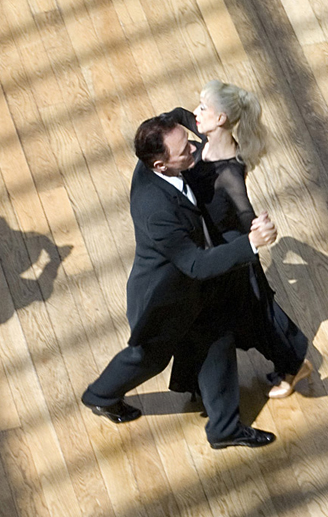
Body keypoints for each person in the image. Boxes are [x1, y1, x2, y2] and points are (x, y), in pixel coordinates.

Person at [81, 112, 280, 449]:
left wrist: (212, 127)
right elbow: (195, 264)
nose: (194, 148)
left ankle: (224, 427)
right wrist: (250, 244)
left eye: (188, 139)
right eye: (184, 149)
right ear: (160, 165)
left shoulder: (159, 159)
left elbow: (176, 115)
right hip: (164, 299)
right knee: (148, 358)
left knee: (216, 339)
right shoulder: (154, 208)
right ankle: (100, 395)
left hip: (191, 292)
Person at [165, 81, 312, 400]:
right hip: (209, 248)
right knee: (232, 319)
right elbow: (178, 114)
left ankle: (294, 365)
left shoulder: (230, 174)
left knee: (257, 317)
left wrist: (262, 231)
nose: (195, 112)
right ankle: (202, 386)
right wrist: (157, 132)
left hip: (230, 256)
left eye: (203, 108)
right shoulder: (206, 135)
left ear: (220, 119)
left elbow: (245, 218)